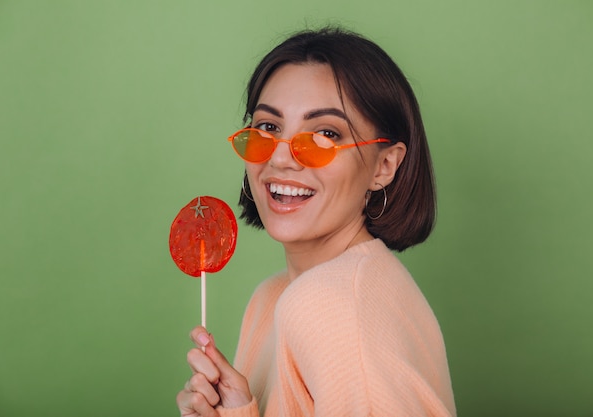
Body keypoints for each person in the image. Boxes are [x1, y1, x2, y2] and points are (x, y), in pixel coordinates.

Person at [177, 27, 456, 417]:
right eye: (268, 128)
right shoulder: (273, 296)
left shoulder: (329, 305)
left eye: (325, 134)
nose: (281, 158)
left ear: (385, 165)